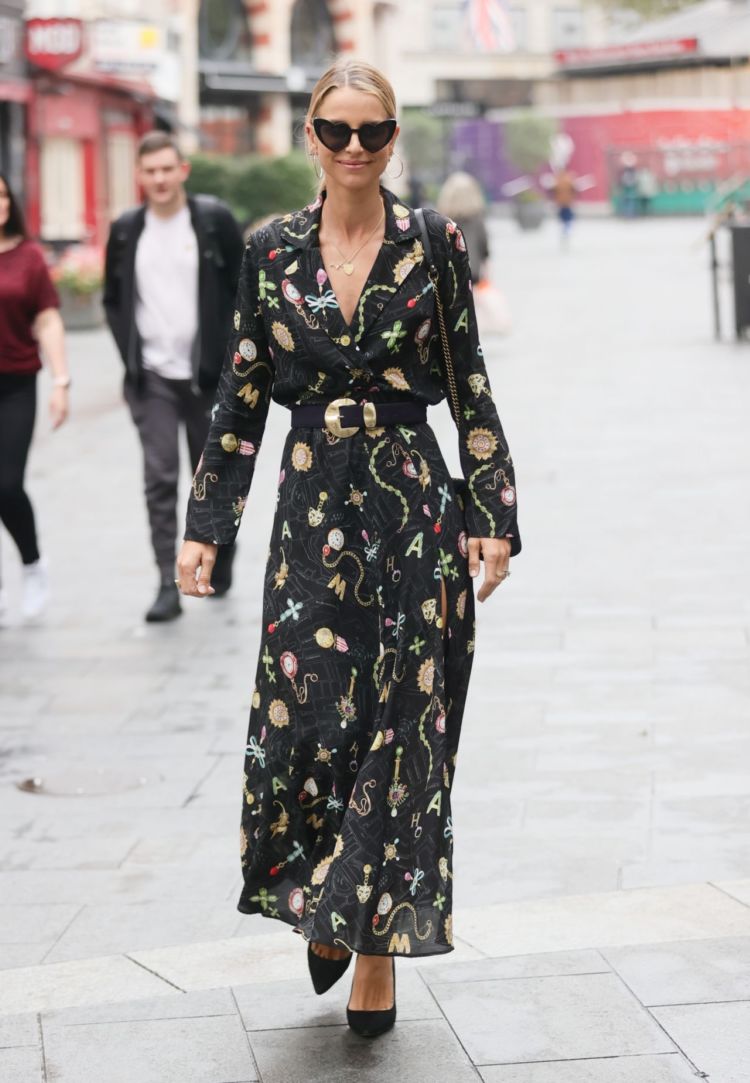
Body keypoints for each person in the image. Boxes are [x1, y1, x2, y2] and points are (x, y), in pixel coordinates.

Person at [177, 59, 521, 1038]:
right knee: (311, 729)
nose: (356, 147)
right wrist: (207, 524)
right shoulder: (270, 250)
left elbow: (469, 380)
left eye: (373, 131)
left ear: (394, 138)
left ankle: (373, 949)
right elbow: (242, 392)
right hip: (311, 518)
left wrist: (492, 508)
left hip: (414, 514)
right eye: (337, 131)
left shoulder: (432, 242)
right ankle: (328, 889)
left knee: (405, 732)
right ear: (312, 138)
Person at [103, 131, 244, 622]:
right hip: (153, 379)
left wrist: (232, 358)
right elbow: (112, 298)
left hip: (207, 376)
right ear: (139, 176)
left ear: (183, 170)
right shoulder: (126, 230)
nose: (160, 178)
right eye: (151, 171)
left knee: (211, 476)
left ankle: (221, 553)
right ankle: (167, 581)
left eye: (167, 168)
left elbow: (242, 288)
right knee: (160, 476)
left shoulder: (212, 221)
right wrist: (130, 356)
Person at [0, 173, 70, 626]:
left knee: (6, 484)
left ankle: (31, 564)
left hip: (15, 384)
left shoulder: (27, 257)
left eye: (3, 195)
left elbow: (47, 320)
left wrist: (61, 381)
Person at [436, 171, 488, 283]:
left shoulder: (439, 221)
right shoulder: (477, 220)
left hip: (447, 276)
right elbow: (484, 251)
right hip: (472, 274)